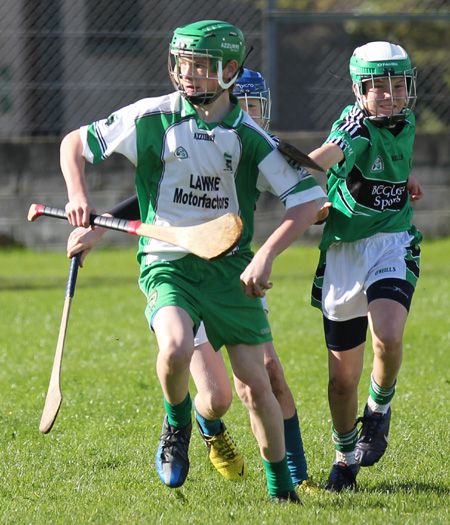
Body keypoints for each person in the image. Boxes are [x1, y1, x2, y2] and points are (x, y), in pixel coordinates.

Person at [60, 20, 326, 503]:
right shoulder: (151, 116)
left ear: (228, 71)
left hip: (230, 271)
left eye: (200, 66)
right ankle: (178, 426)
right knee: (177, 346)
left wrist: (265, 256)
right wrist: (79, 196)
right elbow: (74, 143)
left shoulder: (247, 135)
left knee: (257, 386)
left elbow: (307, 200)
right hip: (168, 264)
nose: (188, 74)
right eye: (183, 63)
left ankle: (282, 491)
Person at [307, 41, 423, 492]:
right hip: (344, 253)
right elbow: (330, 155)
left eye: (399, 85)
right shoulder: (353, 126)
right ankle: (344, 454)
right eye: (380, 88)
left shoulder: (407, 119)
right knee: (341, 380)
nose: (391, 95)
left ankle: (379, 408)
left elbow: (392, 160)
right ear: (360, 90)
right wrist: (296, 179)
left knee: (388, 335)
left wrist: (406, 176)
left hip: (393, 242)